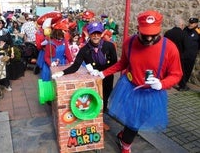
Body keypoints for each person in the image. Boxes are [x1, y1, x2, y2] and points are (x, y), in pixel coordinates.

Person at [94, 10, 182, 153]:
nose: (148, 39)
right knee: (134, 121)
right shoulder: (129, 42)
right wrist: (103, 73)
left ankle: (124, 135)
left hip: (152, 93)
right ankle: (126, 145)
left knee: (139, 120)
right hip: (130, 88)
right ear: (138, 29)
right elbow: (122, 63)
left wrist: (162, 84)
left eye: (153, 35)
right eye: (145, 34)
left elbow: (176, 74)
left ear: (160, 30)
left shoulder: (170, 48)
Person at [52, 21, 117, 131]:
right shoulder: (84, 49)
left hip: (107, 78)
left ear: (101, 34)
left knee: (104, 100)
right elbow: (76, 66)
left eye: (98, 33)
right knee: (93, 100)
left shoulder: (109, 46)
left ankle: (101, 121)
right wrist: (62, 73)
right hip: (93, 80)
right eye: (93, 33)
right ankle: (91, 121)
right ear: (90, 34)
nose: (96, 36)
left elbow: (115, 63)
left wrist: (103, 72)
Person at [164, 15, 189, 91]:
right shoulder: (184, 34)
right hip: (179, 56)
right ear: (181, 25)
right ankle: (182, 86)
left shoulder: (168, 32)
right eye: (183, 25)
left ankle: (167, 84)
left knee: (167, 69)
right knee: (181, 71)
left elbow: (164, 44)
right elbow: (186, 46)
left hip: (168, 55)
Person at [180, 17, 200, 91]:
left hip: (191, 55)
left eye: (192, 23)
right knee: (181, 69)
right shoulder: (186, 29)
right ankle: (181, 84)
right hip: (183, 53)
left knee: (188, 70)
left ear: (196, 24)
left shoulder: (198, 31)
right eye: (190, 23)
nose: (190, 24)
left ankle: (183, 85)